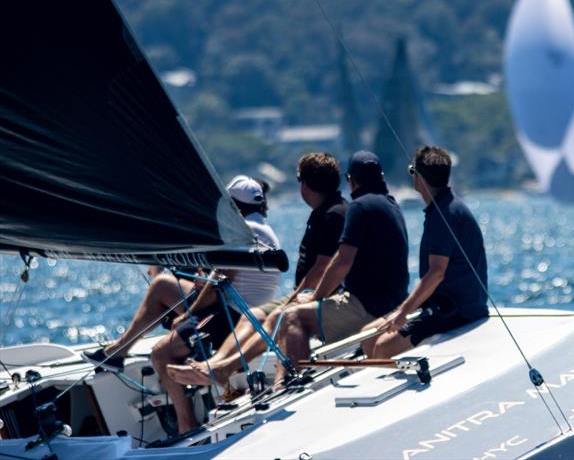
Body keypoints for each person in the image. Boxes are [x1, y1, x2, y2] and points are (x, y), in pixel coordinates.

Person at [171, 150, 409, 389]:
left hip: (367, 305)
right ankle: (223, 366)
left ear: (351, 180)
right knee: (268, 316)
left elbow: (338, 263)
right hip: (384, 300)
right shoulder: (389, 204)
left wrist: (314, 298)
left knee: (290, 316)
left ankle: (287, 384)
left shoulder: (354, 208)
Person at [82, 175, 281, 434]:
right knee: (163, 297)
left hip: (229, 318)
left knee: (160, 330)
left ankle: (184, 421)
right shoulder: (264, 229)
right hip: (240, 314)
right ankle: (119, 352)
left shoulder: (242, 232)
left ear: (233, 207)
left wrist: (189, 313)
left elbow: (217, 287)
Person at [362, 145, 488, 359]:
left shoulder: (443, 214)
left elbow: (436, 273)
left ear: (419, 177)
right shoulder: (447, 206)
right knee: (368, 336)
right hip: (450, 304)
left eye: (413, 171)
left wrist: (402, 313)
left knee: (382, 347)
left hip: (456, 310)